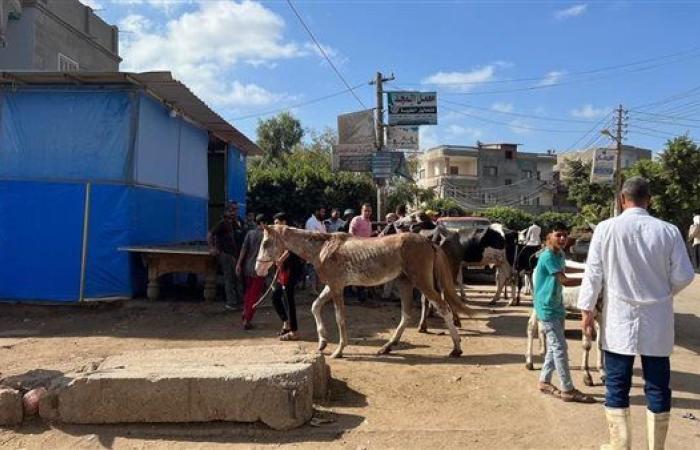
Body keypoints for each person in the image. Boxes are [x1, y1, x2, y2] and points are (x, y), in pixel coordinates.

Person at [577, 177, 695, 450]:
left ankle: (620, 445)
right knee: (657, 385)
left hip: (620, 318)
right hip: (658, 320)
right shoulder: (668, 231)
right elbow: (685, 275)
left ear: (621, 200)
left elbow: (593, 274)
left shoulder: (606, 229)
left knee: (617, 384)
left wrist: (587, 311)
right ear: (649, 200)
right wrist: (665, 294)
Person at [533, 222, 595, 404]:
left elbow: (565, 269)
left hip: (557, 306)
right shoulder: (547, 256)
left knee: (554, 346)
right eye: (558, 235)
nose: (562, 238)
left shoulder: (559, 254)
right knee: (560, 348)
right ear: (548, 237)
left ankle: (544, 381)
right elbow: (563, 280)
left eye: (565, 235)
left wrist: (586, 270)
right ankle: (567, 389)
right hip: (547, 308)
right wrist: (589, 282)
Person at [271, 212, 305, 341]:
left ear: (284, 222)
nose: (275, 225)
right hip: (283, 270)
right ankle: (286, 322)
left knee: (288, 299)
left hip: (292, 269)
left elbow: (290, 249)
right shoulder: (279, 235)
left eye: (277, 222)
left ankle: (294, 331)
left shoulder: (291, 233)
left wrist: (280, 259)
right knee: (275, 297)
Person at [207, 205, 242, 310]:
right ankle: (231, 303)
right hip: (225, 254)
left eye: (235, 210)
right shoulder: (222, 223)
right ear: (226, 212)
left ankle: (237, 300)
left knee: (236, 278)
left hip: (233, 254)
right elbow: (210, 234)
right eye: (231, 210)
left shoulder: (232, 224)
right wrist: (212, 248)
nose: (233, 212)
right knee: (229, 278)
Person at [236, 214, 266, 330]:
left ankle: (245, 312)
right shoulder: (265, 235)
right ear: (263, 223)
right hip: (259, 268)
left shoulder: (250, 233)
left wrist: (239, 264)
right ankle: (247, 319)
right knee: (254, 295)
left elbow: (243, 249)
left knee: (248, 292)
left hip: (247, 266)